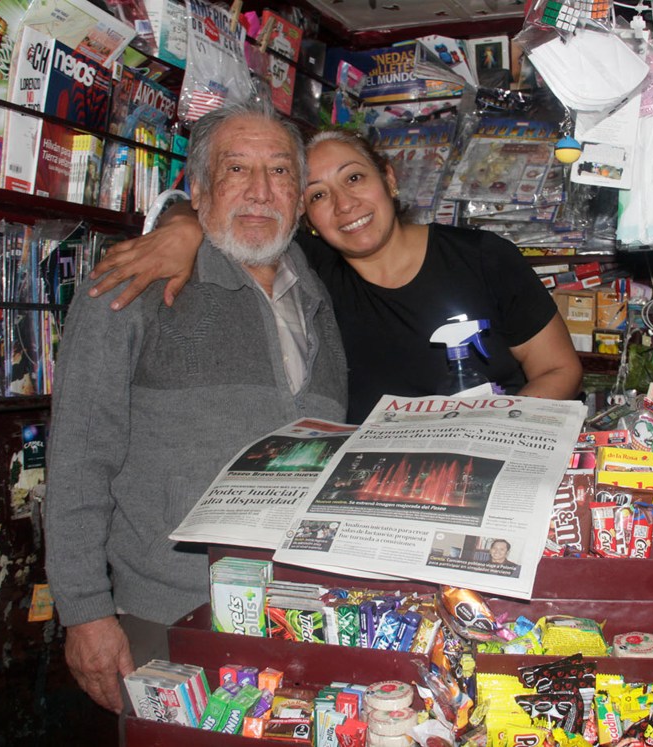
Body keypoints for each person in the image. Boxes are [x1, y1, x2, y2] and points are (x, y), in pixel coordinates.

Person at [44, 99, 347, 714]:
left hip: (303, 619)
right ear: (200, 191)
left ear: (299, 198)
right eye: (237, 169)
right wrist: (84, 612)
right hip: (166, 619)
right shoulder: (132, 285)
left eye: (280, 171)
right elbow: (79, 456)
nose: (261, 191)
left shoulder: (319, 298)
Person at [88, 129, 582, 423]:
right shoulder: (308, 272)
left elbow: (560, 370)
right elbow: (228, 215)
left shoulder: (482, 258)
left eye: (354, 178)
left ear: (388, 178)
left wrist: (489, 430)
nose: (344, 205)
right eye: (319, 195)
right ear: (305, 217)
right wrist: (181, 225)